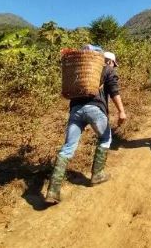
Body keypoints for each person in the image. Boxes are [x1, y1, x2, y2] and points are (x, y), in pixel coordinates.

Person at [45, 51, 127, 204]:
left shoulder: (83, 70)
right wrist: (121, 111)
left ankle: (52, 191)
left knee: (68, 147)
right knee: (105, 138)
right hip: (95, 110)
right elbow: (114, 92)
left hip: (75, 111)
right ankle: (97, 174)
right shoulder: (108, 70)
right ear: (110, 62)